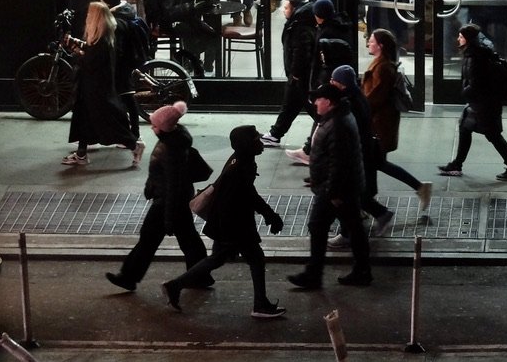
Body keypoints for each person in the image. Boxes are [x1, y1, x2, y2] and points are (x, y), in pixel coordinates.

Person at [161, 125, 286, 318]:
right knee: (255, 258)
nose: (261, 144)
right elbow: (248, 195)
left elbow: (246, 194)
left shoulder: (241, 159)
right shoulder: (241, 166)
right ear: (247, 145)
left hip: (228, 222)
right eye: (257, 141)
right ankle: (260, 305)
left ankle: (174, 286)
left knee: (217, 259)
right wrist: (270, 215)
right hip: (235, 224)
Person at [106, 101, 210, 292]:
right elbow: (162, 174)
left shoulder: (171, 150)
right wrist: (151, 185)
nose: (152, 127)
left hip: (168, 203)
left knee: (149, 239)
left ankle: (129, 277)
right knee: (188, 239)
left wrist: (168, 217)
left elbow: (173, 184)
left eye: (155, 125)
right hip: (173, 199)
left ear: (165, 128)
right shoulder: (173, 139)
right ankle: (200, 275)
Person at [288, 83, 371, 289]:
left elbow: (339, 162)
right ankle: (360, 271)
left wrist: (333, 192)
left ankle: (315, 275)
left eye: (319, 98)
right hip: (337, 186)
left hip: (336, 189)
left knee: (321, 226)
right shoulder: (334, 119)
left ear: (329, 102)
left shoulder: (338, 124)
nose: (315, 102)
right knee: (352, 228)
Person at [362, 28, 432, 227]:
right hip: (379, 124)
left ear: (381, 46)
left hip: (378, 125)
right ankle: (371, 204)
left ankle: (374, 206)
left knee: (375, 162)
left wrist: (357, 107)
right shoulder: (382, 65)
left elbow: (374, 98)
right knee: (375, 163)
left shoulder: (383, 68)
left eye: (372, 41)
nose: (368, 43)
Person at [61, 1, 144, 167]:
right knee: (85, 121)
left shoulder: (103, 40)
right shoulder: (104, 35)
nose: (87, 17)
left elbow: (90, 61)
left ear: (96, 18)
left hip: (96, 89)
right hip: (93, 88)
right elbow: (92, 51)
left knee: (106, 122)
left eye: (90, 15)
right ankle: (81, 154)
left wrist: (76, 51)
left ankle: (135, 145)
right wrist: (78, 43)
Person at [437, 23, 507, 181]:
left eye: (461, 37)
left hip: (484, 104)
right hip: (481, 103)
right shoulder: (479, 53)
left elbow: (476, 83)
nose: (458, 39)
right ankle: (457, 164)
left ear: (468, 39)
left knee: (493, 135)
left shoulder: (475, 57)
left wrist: (464, 92)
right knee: (465, 128)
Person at [327, 65, 396, 251]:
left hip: (358, 155)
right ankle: (379, 215)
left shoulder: (349, 103)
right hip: (365, 152)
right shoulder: (358, 97)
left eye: (334, 81)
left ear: (341, 84)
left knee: (347, 195)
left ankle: (349, 233)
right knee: (358, 194)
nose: (330, 83)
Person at [280, 0, 355, 165]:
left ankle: (312, 153)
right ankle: (310, 150)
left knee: (322, 117)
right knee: (321, 118)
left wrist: (319, 85)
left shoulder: (325, 34)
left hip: (330, 84)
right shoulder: (341, 26)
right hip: (337, 81)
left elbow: (323, 63)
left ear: (318, 15)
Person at [261, 0, 315, 149]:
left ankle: (322, 135)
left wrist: (296, 73)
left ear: (294, 8)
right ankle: (275, 134)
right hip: (299, 75)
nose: (283, 10)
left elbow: (301, 52)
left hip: (300, 76)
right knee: (291, 106)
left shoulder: (300, 27)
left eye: (286, 7)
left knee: (310, 109)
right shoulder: (299, 23)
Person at [98, 0, 144, 137]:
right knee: (126, 99)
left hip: (120, 66)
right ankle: (130, 134)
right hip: (129, 63)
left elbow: (117, 49)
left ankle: (132, 135)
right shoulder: (127, 12)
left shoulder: (116, 22)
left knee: (124, 99)